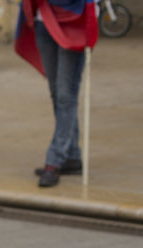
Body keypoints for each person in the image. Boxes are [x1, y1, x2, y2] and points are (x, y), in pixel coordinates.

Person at [15, 0, 97, 187]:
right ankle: (72, 156)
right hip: (43, 20)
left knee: (65, 95)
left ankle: (55, 159)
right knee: (57, 93)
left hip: (73, 22)